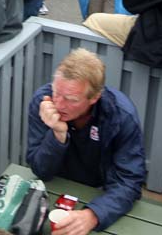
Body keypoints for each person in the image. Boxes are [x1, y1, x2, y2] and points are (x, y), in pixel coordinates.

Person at [26, 49, 146, 235]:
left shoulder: (121, 116)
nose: (59, 104)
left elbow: (130, 181)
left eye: (71, 99)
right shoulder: (43, 102)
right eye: (56, 92)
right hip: (56, 188)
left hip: (103, 192)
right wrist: (57, 134)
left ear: (94, 97)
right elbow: (40, 170)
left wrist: (94, 215)